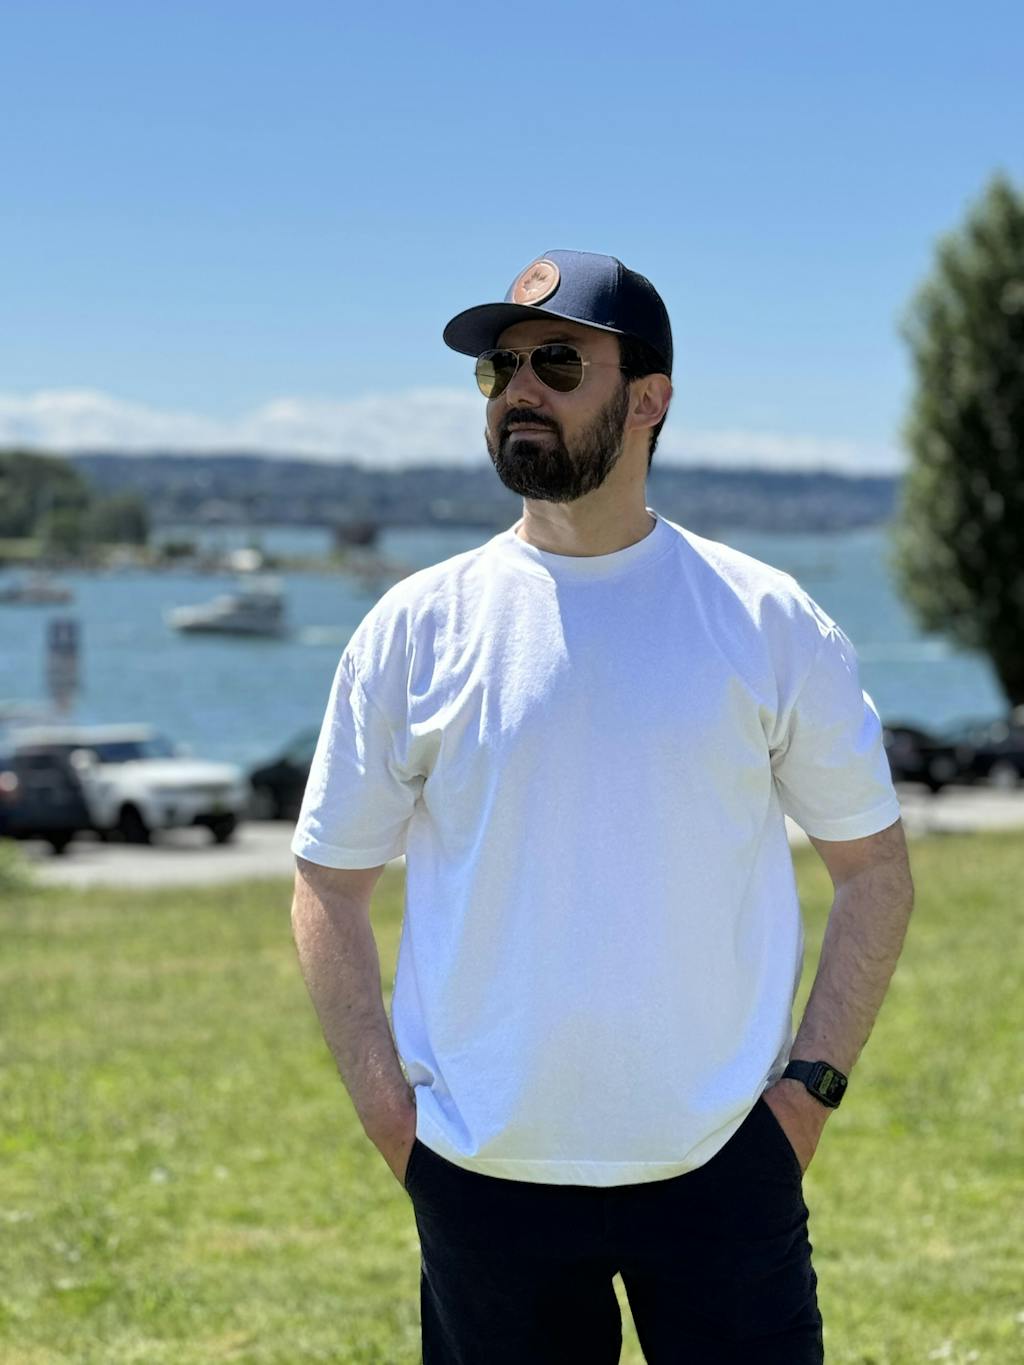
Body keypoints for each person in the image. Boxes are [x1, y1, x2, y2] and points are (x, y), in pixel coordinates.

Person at [289, 249, 916, 1364]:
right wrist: (394, 1118)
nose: (519, 388)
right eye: (500, 369)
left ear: (649, 401)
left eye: (559, 363)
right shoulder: (415, 628)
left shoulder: (766, 621)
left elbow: (874, 872)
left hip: (724, 1166)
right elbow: (327, 884)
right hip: (483, 1177)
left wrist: (806, 1096)